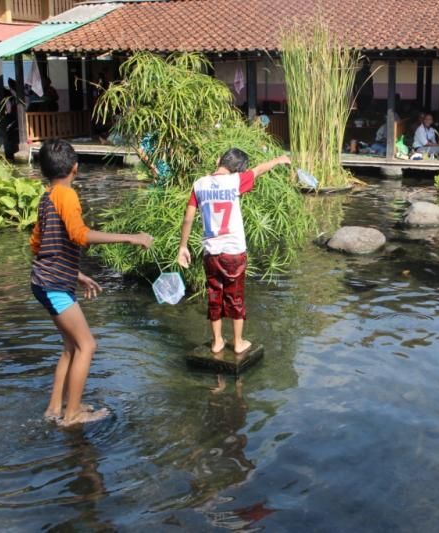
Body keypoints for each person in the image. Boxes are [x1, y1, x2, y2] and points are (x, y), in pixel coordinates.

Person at [29, 139, 153, 426]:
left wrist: (77, 273)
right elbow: (80, 235)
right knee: (88, 346)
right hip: (54, 285)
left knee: (71, 347)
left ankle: (55, 407)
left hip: (45, 281)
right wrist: (130, 237)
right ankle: (71, 415)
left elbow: (39, 245)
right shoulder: (67, 196)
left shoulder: (47, 197)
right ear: (75, 167)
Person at [177, 149, 291, 354]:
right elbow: (259, 170)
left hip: (211, 252)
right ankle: (238, 343)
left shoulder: (199, 184)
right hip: (234, 252)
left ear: (219, 160)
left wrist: (183, 247)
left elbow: (188, 218)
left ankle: (217, 342)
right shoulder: (236, 181)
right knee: (235, 296)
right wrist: (279, 160)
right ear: (238, 168)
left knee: (215, 295)